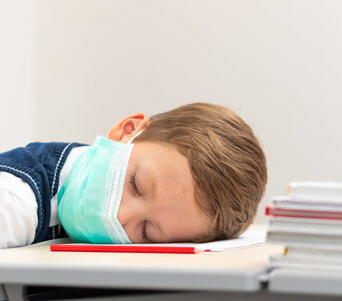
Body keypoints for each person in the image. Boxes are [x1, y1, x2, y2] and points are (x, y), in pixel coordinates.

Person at [0, 103, 267, 249]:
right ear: (127, 131)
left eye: (146, 231)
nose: (121, 216)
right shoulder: (15, 198)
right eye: (135, 185)